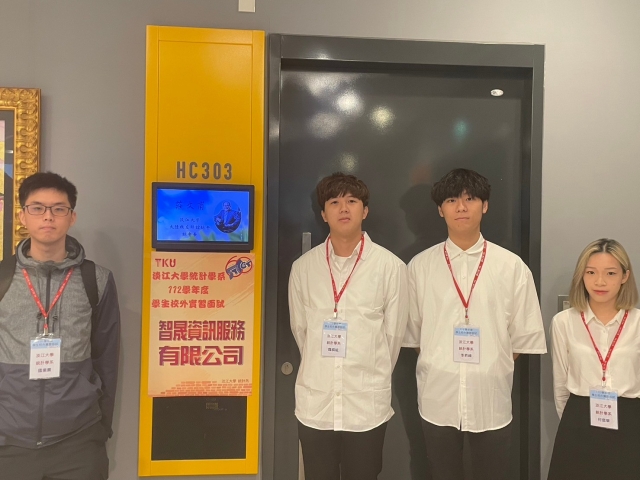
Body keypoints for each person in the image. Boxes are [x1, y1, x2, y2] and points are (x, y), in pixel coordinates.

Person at [403, 168, 546, 480]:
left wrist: (489, 365)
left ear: (485, 205)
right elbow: (414, 335)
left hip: (490, 398)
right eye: (452, 200)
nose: (461, 207)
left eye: (470, 199)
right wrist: (443, 363)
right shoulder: (420, 267)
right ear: (440, 210)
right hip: (438, 398)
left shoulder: (511, 267)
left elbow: (521, 339)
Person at [0, 172, 121, 480]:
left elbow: (107, 360)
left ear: (72, 216)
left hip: (78, 443)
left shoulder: (97, 280)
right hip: (9, 443)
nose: (48, 216)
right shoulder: (2, 278)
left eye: (58, 208)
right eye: (37, 208)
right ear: (22, 216)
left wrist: (101, 429)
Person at [288, 172, 408, 480]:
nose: (344, 208)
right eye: (334, 202)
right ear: (323, 214)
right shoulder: (303, 269)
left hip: (365, 406)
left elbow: (393, 337)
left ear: (364, 211)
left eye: (352, 201)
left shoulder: (390, 267)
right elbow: (301, 331)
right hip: (317, 404)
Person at [548, 239, 640, 480]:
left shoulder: (638, 323)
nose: (600, 281)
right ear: (582, 275)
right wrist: (575, 422)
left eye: (610, 273)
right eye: (591, 272)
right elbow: (560, 385)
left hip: (630, 422)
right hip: (578, 423)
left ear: (625, 276)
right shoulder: (563, 322)